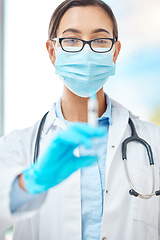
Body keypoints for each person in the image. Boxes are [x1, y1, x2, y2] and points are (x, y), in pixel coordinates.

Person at [0, 0, 160, 239]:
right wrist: (27, 185)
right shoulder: (16, 148)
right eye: (72, 40)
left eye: (100, 40)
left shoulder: (154, 142)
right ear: (52, 51)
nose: (86, 51)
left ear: (115, 52)